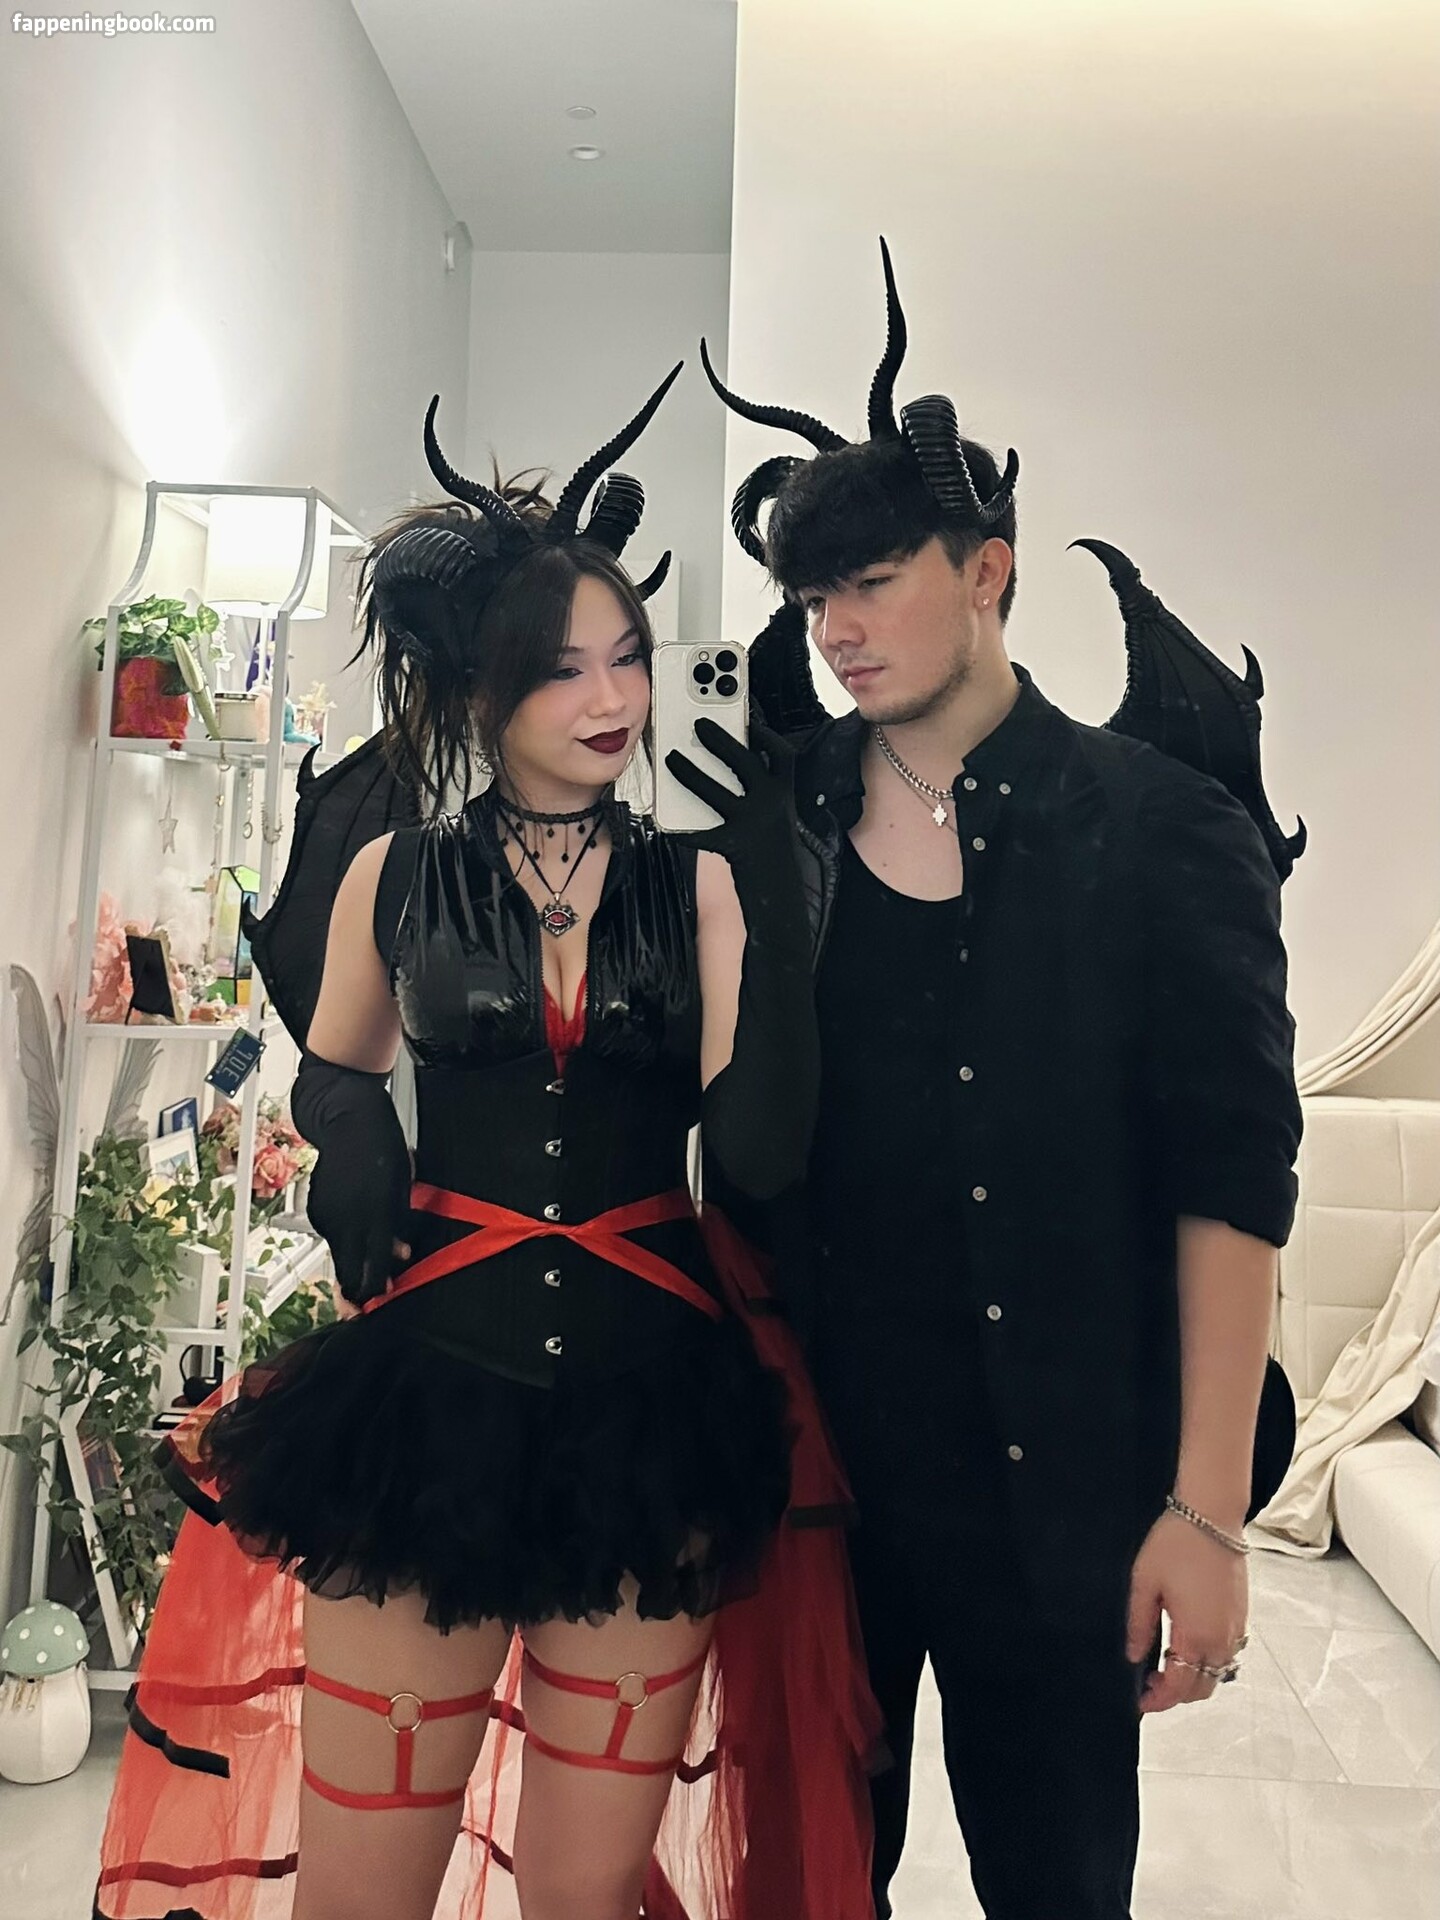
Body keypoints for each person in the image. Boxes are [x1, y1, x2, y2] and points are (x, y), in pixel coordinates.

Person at [94, 372, 878, 1920]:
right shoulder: (394, 872)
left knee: (582, 1901)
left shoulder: (700, 888)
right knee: (360, 1896)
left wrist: (772, 893)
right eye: (561, 667)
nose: (611, 696)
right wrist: (345, 1136)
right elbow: (336, 1066)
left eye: (628, 657)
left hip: (651, 1421)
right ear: (478, 688)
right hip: (424, 1407)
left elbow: (767, 1151)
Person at [701, 240, 1305, 1920]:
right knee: (810, 1889)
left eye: (870, 582)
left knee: (1057, 1887)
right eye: (812, 603)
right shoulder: (781, 819)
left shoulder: (1165, 830)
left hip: (1067, 1495)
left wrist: (1206, 1513)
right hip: (820, 1495)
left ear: (991, 572)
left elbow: (1233, 1181)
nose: (837, 632)